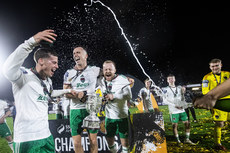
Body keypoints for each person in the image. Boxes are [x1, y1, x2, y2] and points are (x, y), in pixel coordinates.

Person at [3, 29, 77, 153]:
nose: (57, 66)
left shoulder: (48, 81)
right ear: (41, 61)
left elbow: (50, 93)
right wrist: (31, 42)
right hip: (27, 139)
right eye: (54, 62)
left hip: (46, 135)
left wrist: (67, 91)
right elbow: (7, 69)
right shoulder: (23, 76)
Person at [63, 46, 101, 153]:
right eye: (74, 53)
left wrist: (126, 79)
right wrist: (78, 95)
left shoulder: (95, 70)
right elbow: (65, 93)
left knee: (93, 141)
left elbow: (110, 74)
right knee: (76, 143)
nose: (75, 55)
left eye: (78, 52)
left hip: (91, 111)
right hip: (75, 111)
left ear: (86, 56)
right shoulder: (69, 73)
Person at [101, 60, 132, 153]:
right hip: (109, 116)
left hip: (122, 116)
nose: (107, 71)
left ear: (115, 70)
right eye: (105, 69)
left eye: (110, 69)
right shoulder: (101, 81)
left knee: (125, 144)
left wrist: (114, 96)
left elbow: (128, 96)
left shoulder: (122, 79)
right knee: (110, 142)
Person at [200, 59, 230, 151]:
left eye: (216, 65)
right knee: (220, 123)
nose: (215, 68)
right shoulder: (206, 78)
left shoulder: (228, 74)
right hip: (217, 103)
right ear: (210, 67)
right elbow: (205, 91)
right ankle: (218, 143)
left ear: (221, 65)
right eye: (212, 66)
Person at [162, 74, 195, 146]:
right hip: (173, 111)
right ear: (167, 81)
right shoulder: (165, 89)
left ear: (174, 79)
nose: (171, 80)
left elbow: (182, 98)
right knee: (174, 126)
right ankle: (178, 141)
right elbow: (164, 100)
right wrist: (175, 105)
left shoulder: (179, 88)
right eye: (169, 79)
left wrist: (183, 96)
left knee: (187, 124)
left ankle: (187, 139)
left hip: (181, 110)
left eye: (172, 78)